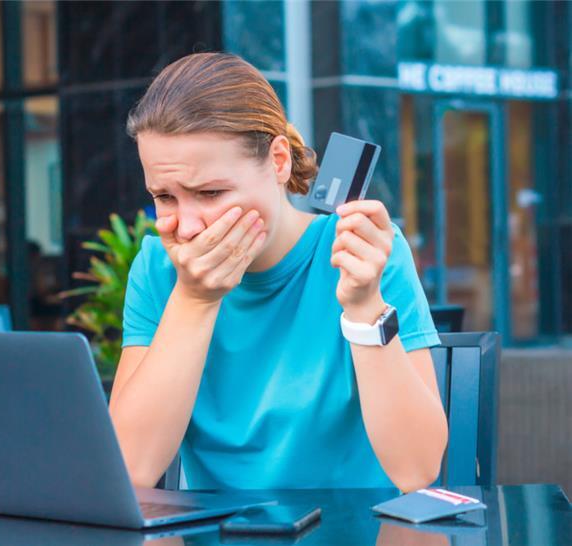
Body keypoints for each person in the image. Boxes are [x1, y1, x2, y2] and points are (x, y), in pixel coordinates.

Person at [108, 53, 448, 493]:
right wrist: (194, 301)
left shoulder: (362, 253)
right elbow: (130, 468)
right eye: (165, 197)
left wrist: (364, 308)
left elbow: (418, 470)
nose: (188, 226)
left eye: (210, 192)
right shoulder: (158, 268)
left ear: (279, 161)